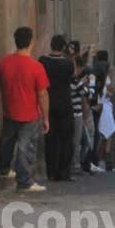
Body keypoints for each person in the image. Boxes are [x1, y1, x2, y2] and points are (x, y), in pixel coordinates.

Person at [0, 27, 49, 192]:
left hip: (9, 111)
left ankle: (4, 169)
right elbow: (42, 95)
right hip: (30, 114)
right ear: (31, 42)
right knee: (26, 147)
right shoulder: (36, 67)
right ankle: (24, 181)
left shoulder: (3, 63)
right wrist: (46, 117)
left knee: (7, 142)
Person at [40, 35, 75, 182]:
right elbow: (73, 75)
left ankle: (51, 172)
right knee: (66, 139)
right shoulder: (67, 63)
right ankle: (64, 172)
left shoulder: (43, 61)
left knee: (50, 140)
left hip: (48, 103)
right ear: (62, 47)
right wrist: (72, 56)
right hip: (65, 104)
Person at [70, 55, 92, 175]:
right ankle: (76, 166)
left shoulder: (73, 81)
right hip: (76, 114)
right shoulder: (74, 81)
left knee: (84, 141)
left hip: (75, 114)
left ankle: (79, 164)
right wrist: (89, 84)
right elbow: (88, 94)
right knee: (77, 141)